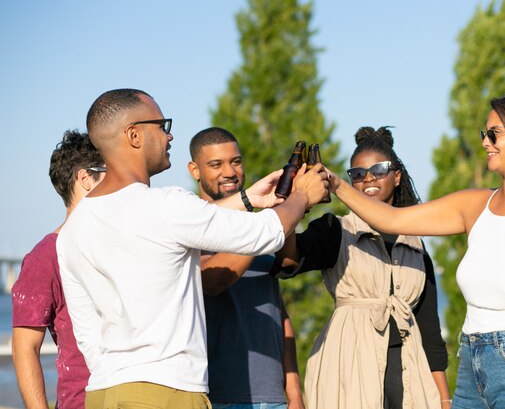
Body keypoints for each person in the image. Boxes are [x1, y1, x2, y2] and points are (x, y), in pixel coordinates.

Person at [57, 88, 327, 409]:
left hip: (103, 389)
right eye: (162, 125)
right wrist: (302, 195)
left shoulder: (74, 228)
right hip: (166, 389)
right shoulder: (166, 204)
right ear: (134, 134)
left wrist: (247, 199)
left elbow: (86, 332)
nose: (169, 137)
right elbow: (264, 234)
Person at [328, 94, 505, 409]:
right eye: (485, 134)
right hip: (471, 361)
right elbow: (392, 218)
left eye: (494, 133)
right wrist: (334, 183)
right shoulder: (474, 205)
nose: (485, 142)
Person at [274, 126, 451, 409]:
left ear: (397, 176)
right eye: (357, 174)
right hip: (349, 365)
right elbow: (288, 262)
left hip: (409, 369)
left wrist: (444, 399)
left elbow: (430, 330)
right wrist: (295, 204)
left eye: (378, 170)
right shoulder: (336, 230)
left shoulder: (415, 242)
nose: (368, 178)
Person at [187, 127, 305, 409]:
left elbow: (279, 309)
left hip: (274, 397)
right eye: (216, 164)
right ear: (195, 170)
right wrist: (262, 229)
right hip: (219, 394)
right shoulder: (190, 225)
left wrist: (295, 393)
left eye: (236, 161)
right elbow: (213, 280)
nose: (229, 172)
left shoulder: (258, 225)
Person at [12, 130, 106, 409]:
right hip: (81, 402)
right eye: (112, 173)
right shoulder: (45, 256)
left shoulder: (125, 243)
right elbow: (24, 347)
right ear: (86, 179)